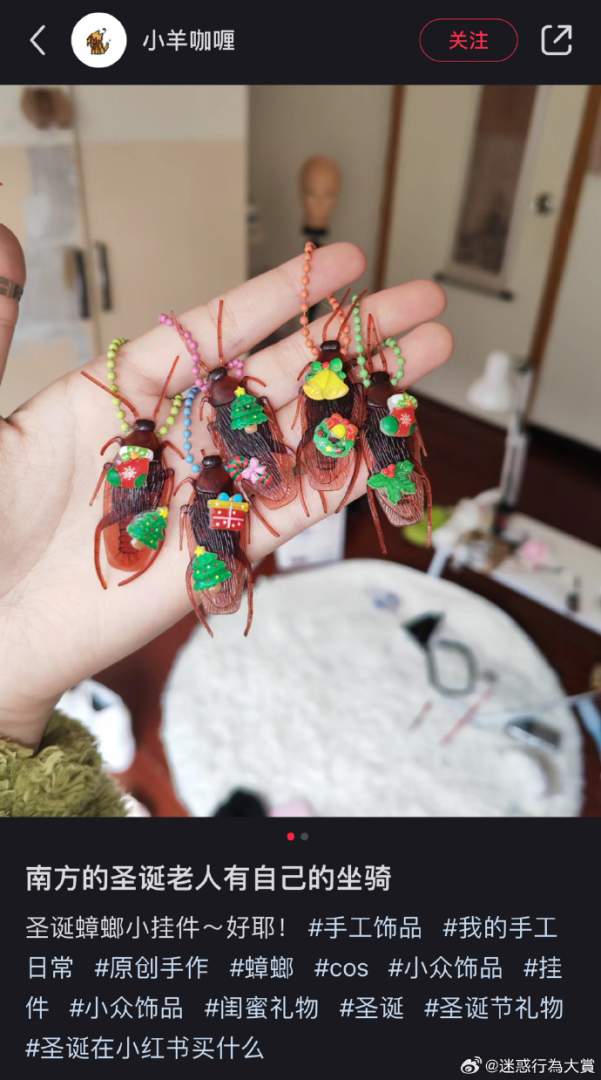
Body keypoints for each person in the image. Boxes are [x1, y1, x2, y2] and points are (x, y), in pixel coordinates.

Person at [0, 224, 452, 814]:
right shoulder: (207, 445)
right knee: (352, 449)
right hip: (249, 473)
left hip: (235, 481)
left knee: (340, 449)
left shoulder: (167, 464)